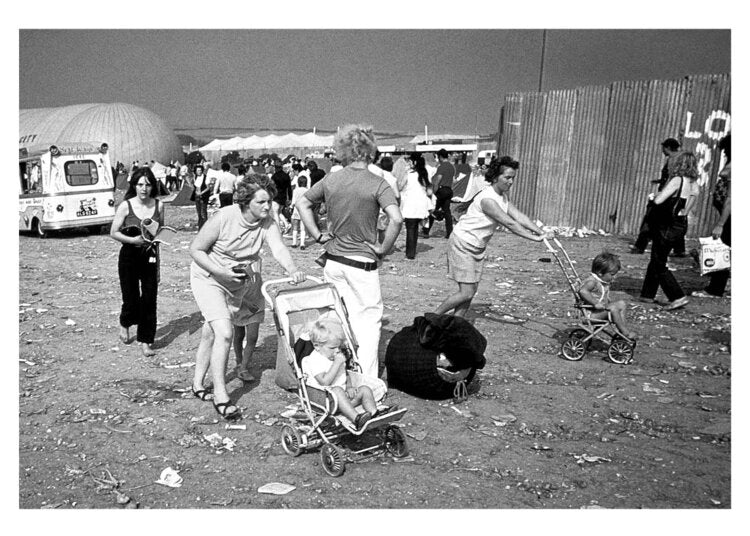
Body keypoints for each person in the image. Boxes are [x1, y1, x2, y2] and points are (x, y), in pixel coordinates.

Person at [190, 174, 305, 419]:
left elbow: (279, 249)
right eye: (261, 202)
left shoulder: (267, 222)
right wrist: (220, 272)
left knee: (211, 331)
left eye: (269, 201)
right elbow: (196, 249)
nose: (267, 206)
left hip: (236, 282)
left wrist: (292, 269)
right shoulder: (224, 217)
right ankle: (221, 394)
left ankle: (197, 383)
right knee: (225, 332)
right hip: (209, 277)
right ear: (245, 202)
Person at [296, 124, 403, 378]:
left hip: (333, 259)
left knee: (336, 318)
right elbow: (396, 219)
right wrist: (383, 248)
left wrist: (317, 235)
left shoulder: (331, 179)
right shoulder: (378, 183)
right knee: (367, 323)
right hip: (361, 262)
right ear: (370, 150)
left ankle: (335, 373)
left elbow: (302, 202)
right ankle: (366, 381)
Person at [435, 156, 553, 317]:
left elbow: (518, 216)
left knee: (471, 290)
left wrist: (540, 231)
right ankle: (432, 318)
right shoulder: (488, 199)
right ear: (495, 177)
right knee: (467, 292)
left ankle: (456, 323)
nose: (511, 182)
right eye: (507, 178)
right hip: (463, 243)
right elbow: (509, 223)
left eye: (513, 178)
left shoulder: (502, 196)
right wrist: (534, 238)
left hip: (477, 246)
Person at [110, 168, 165, 357]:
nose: (144, 188)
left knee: (150, 299)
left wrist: (158, 238)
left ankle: (145, 340)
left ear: (153, 186)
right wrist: (133, 241)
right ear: (134, 185)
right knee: (131, 298)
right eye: (140, 184)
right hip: (129, 257)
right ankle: (125, 322)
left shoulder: (159, 206)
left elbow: (161, 231)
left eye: (148, 184)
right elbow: (113, 231)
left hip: (150, 256)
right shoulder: (126, 206)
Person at [638, 151, 700, 310]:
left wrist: (652, 196)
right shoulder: (693, 184)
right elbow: (687, 207)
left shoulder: (677, 180)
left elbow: (659, 200)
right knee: (658, 257)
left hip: (666, 225)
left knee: (659, 262)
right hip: (680, 225)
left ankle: (677, 296)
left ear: (679, 164)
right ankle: (647, 294)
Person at [301, 317, 377, 430]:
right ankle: (357, 419)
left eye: (338, 347)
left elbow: (345, 373)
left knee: (365, 389)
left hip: (344, 400)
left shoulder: (336, 356)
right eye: (332, 347)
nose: (337, 351)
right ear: (317, 346)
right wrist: (336, 363)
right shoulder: (314, 360)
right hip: (326, 402)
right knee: (337, 390)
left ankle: (374, 414)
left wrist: (350, 386)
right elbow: (324, 382)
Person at [693, 134, 731, 298]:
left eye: (725, 150)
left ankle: (715, 289)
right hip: (728, 215)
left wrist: (721, 224)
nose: (724, 154)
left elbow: (731, 198)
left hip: (730, 217)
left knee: (721, 249)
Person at [631, 138, 682, 254]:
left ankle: (640, 246)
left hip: (665, 196)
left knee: (650, 219)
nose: (663, 151)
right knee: (674, 221)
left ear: (668, 148)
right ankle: (679, 250)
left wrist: (660, 194)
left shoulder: (673, 160)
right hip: (673, 196)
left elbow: (671, 180)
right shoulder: (679, 159)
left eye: (664, 148)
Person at [578, 252, 636, 339]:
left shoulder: (602, 282)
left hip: (598, 311)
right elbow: (583, 291)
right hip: (590, 315)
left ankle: (623, 329)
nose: (614, 277)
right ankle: (625, 333)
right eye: (612, 274)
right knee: (613, 308)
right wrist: (595, 303)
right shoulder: (592, 282)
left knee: (622, 303)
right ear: (600, 273)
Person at [400, 154, 432, 260]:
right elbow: (429, 191)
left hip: (410, 205)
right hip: (421, 205)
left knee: (410, 228)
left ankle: (410, 253)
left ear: (414, 163)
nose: (408, 163)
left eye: (410, 161)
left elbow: (400, 186)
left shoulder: (409, 174)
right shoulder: (424, 174)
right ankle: (412, 250)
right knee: (415, 228)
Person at [424, 148, 456, 238]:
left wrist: (433, 193)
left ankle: (426, 231)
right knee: (447, 212)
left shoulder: (442, 167)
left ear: (441, 157)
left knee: (432, 209)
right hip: (449, 190)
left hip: (441, 190)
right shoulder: (451, 167)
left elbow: (437, 181)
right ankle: (449, 232)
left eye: (438, 157)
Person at [290, 175, 309, 249]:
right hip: (304, 210)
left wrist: (291, 207)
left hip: (296, 210)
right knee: (303, 228)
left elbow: (293, 201)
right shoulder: (307, 191)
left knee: (295, 227)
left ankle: (294, 243)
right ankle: (302, 244)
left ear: (298, 182)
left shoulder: (295, 190)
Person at [192, 164, 213, 230]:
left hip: (203, 197)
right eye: (198, 170)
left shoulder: (205, 177)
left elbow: (208, 188)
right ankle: (200, 227)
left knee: (203, 213)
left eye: (200, 170)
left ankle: (206, 228)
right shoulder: (195, 177)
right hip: (197, 197)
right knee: (199, 213)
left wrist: (201, 193)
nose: (199, 172)